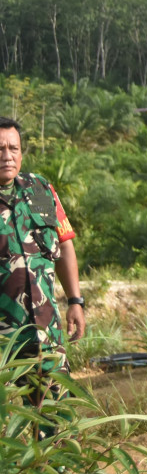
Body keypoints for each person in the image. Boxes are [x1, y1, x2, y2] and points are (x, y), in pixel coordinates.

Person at [0, 116, 86, 414]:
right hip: (3, 336)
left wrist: (75, 300)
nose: (7, 155)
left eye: (13, 147)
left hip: (45, 330)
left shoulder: (40, 189)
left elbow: (64, 245)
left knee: (52, 416)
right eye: (0, 148)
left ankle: (54, 463)